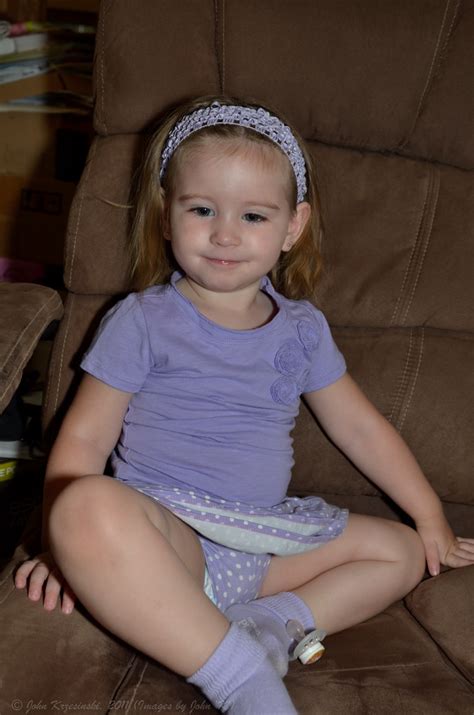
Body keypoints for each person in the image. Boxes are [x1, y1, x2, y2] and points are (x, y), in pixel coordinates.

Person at [14, 96, 474, 715]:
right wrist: (60, 548)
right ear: (167, 216)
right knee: (85, 505)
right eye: (202, 209)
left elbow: (360, 429)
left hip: (261, 546)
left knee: (401, 551)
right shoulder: (143, 319)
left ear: (293, 226)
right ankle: (240, 677)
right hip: (165, 538)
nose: (225, 233)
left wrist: (429, 516)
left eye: (253, 215)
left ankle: (270, 626)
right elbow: (84, 442)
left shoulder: (303, 330)